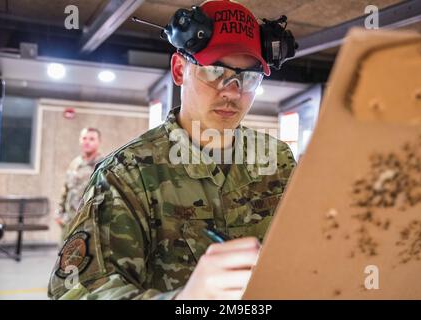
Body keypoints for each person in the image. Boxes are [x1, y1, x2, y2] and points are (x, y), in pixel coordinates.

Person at [48, 0, 296, 300]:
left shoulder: (276, 158)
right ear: (180, 70)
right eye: (215, 71)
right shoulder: (129, 173)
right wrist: (185, 300)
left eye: (248, 77)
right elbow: (73, 291)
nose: (232, 90)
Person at [55, 127, 103, 241]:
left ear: (99, 142)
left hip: (88, 223)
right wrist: (59, 213)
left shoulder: (102, 165)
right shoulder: (75, 163)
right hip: (68, 221)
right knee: (63, 256)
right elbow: (66, 189)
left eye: (91, 139)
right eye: (84, 138)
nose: (87, 141)